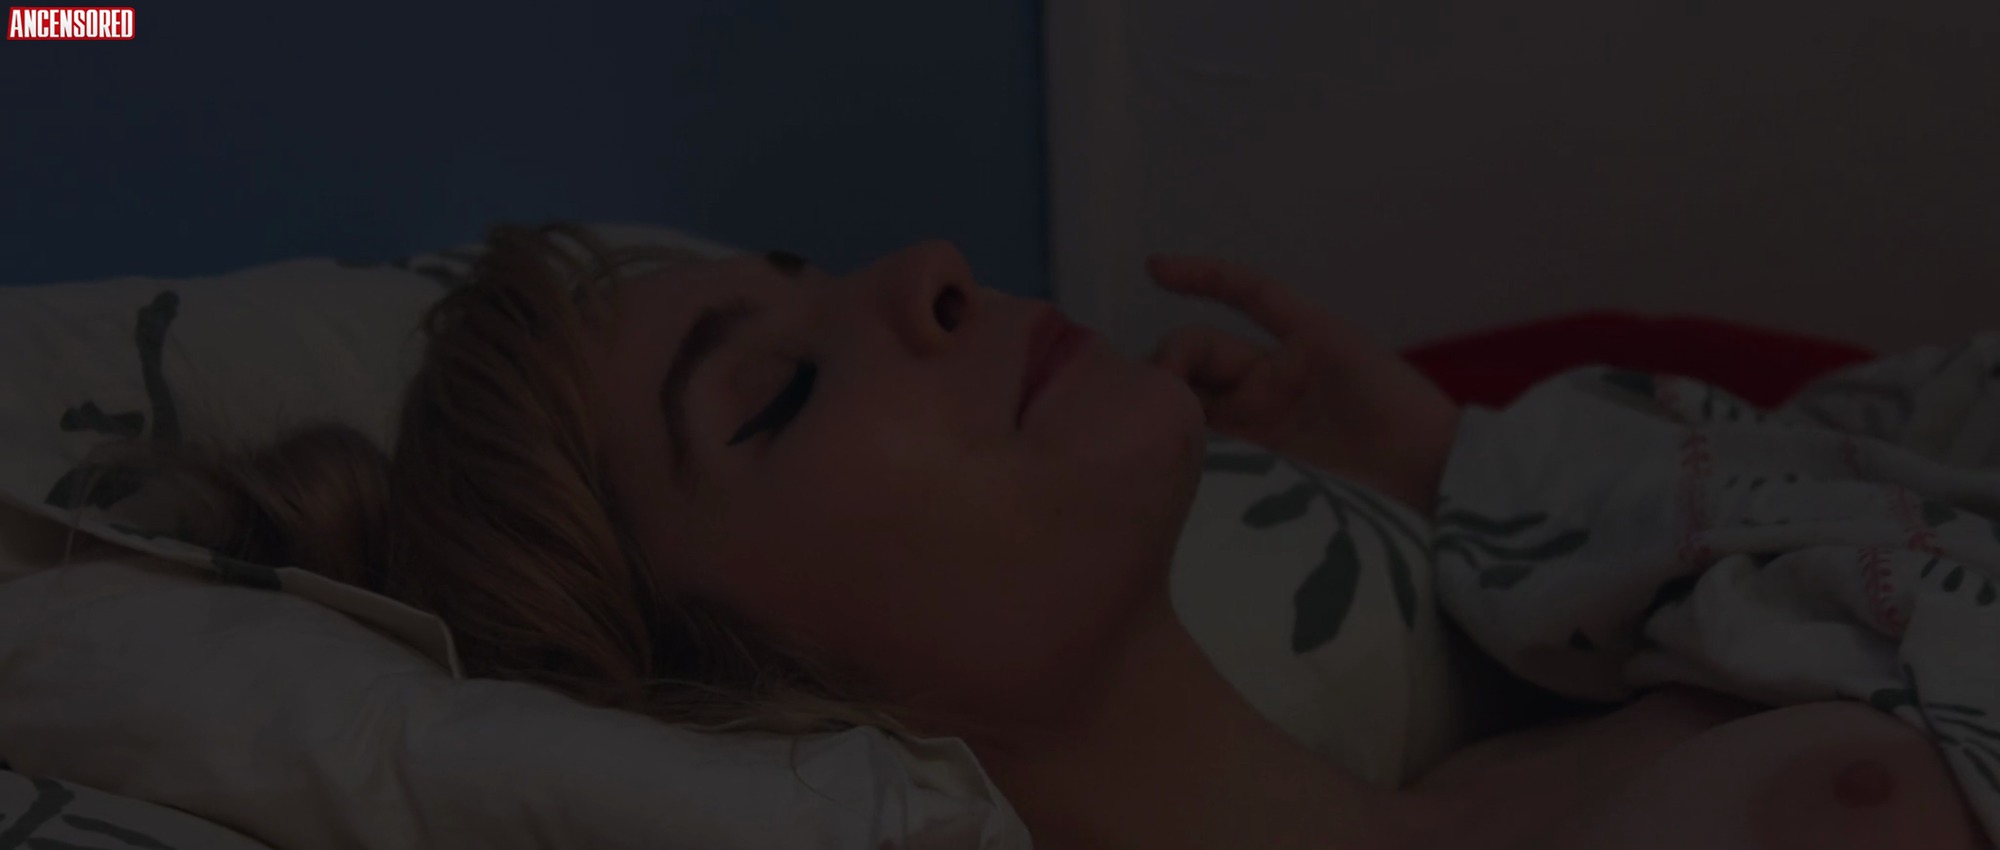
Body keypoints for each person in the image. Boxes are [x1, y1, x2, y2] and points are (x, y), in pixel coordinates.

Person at [132, 225, 1984, 849]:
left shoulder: (1555, 678)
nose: (931, 270)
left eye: (818, 280)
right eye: (776, 394)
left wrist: (1452, 457)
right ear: (720, 693)